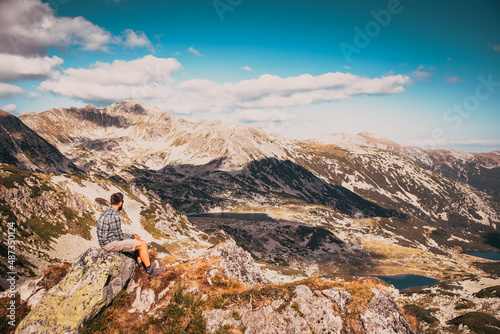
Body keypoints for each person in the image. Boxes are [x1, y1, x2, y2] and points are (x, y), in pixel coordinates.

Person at [97, 192, 165, 279]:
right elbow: (120, 237)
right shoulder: (114, 215)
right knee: (142, 244)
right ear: (120, 203)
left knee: (136, 243)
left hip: (104, 242)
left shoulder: (105, 212)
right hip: (110, 244)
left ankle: (142, 269)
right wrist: (133, 236)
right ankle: (151, 271)